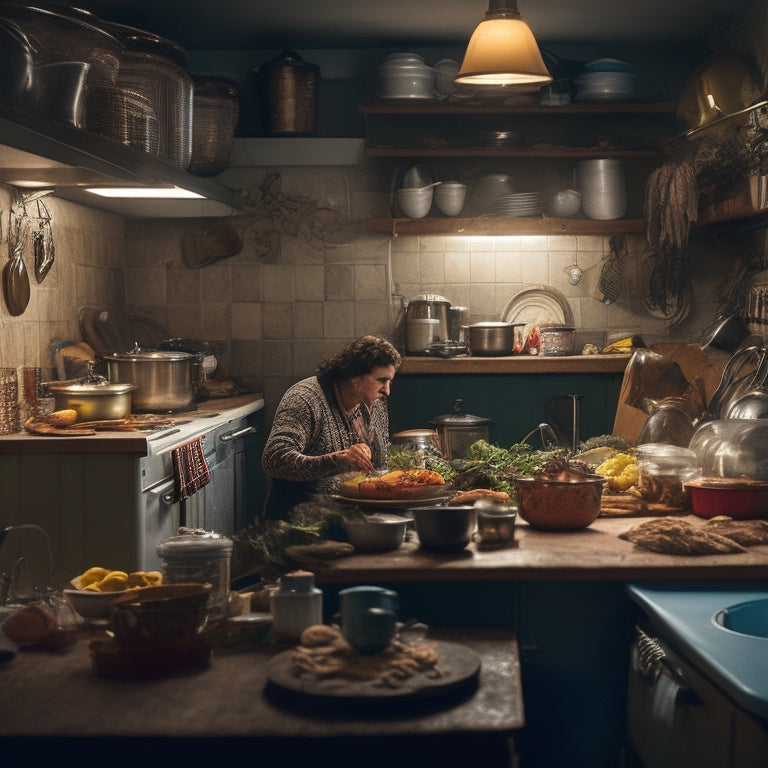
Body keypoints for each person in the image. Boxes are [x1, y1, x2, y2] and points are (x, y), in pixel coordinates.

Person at [261, 335, 402, 519]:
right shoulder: (305, 399)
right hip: (299, 521)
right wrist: (337, 459)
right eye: (381, 380)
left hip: (354, 517)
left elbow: (379, 467)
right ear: (355, 377)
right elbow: (275, 459)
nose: (387, 390)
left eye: (390, 381)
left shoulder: (376, 403)